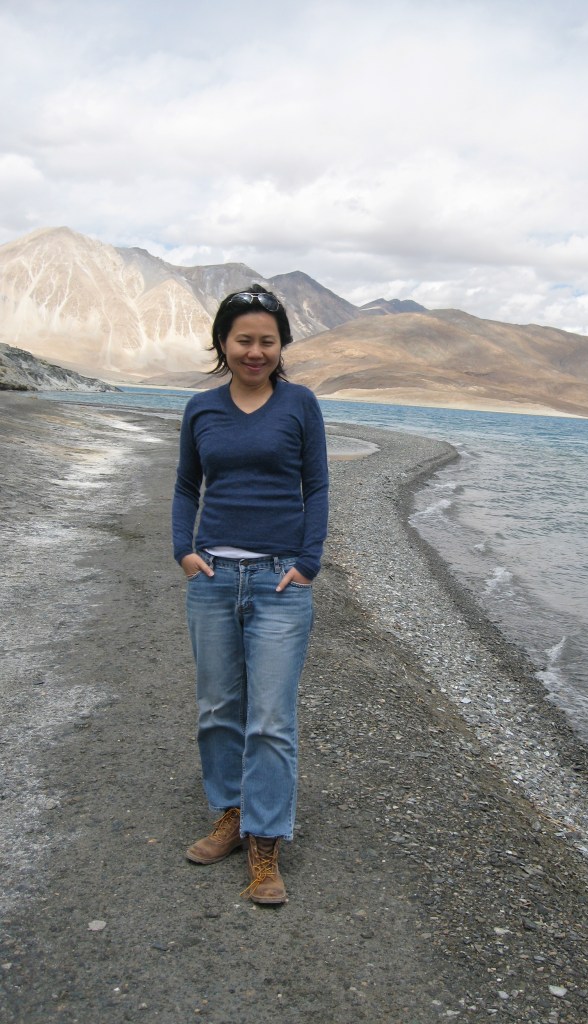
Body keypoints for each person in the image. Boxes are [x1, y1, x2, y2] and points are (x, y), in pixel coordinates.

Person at [172, 286, 329, 905]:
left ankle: (266, 843)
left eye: (267, 340)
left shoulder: (299, 405)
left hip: (280, 580)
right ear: (223, 343)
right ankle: (230, 815)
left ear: (281, 345)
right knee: (217, 708)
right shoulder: (201, 409)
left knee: (270, 718)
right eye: (244, 339)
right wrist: (184, 550)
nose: (255, 351)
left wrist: (309, 563)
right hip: (212, 578)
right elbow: (188, 486)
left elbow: (315, 487)